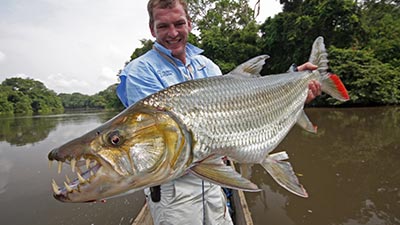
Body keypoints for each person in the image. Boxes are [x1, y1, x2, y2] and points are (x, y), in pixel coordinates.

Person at [116, 0, 321, 224]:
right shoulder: (140, 71)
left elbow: (244, 103)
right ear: (151, 28)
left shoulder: (208, 66)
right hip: (174, 192)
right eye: (163, 26)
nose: (172, 33)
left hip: (214, 181)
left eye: (179, 23)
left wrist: (295, 81)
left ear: (189, 24)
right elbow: (152, 144)